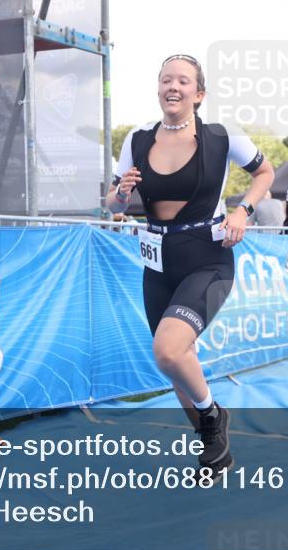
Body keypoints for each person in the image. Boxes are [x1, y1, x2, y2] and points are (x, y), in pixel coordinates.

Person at [108, 54, 274, 474]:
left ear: (198, 94)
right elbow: (112, 203)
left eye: (183, 81)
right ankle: (214, 449)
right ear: (159, 89)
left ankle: (213, 416)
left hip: (208, 258)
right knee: (178, 364)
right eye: (166, 80)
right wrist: (121, 197)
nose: (173, 87)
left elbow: (266, 173)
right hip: (157, 264)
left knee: (167, 350)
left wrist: (244, 212)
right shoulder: (137, 140)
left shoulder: (221, 136)